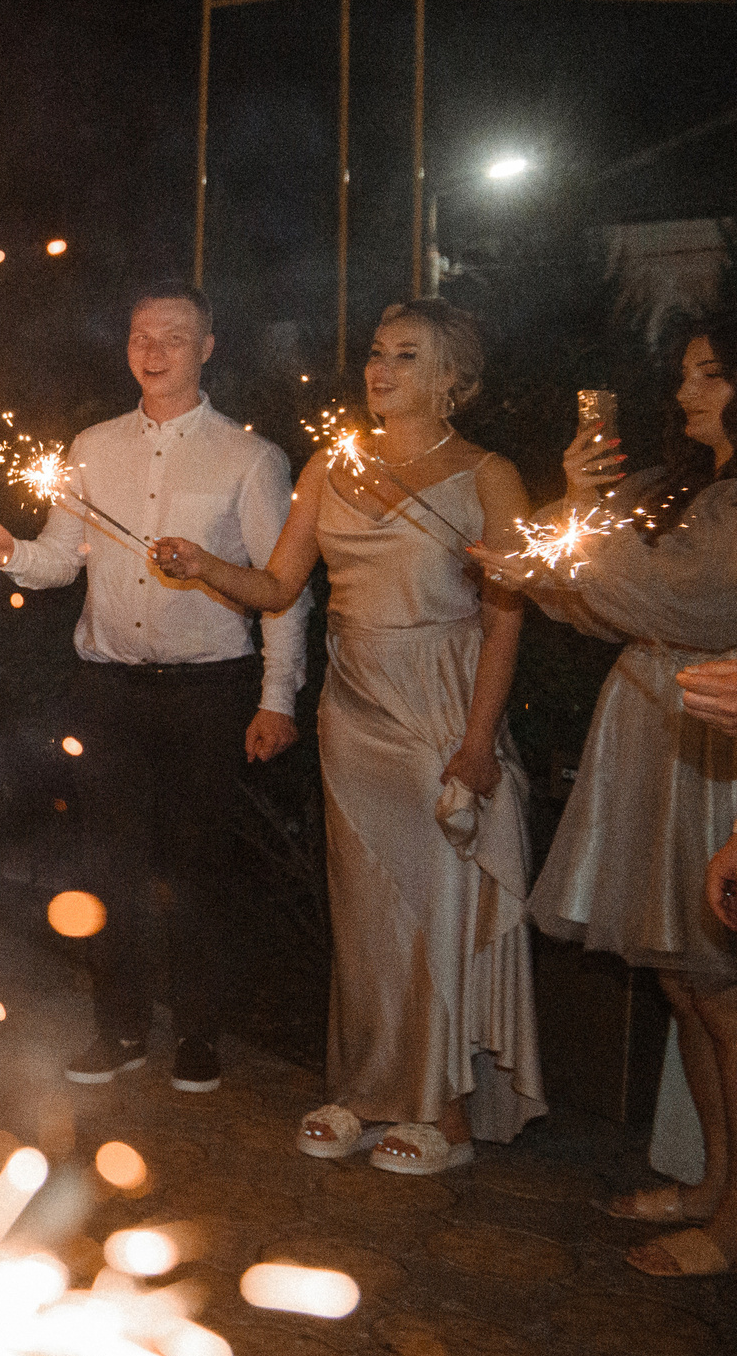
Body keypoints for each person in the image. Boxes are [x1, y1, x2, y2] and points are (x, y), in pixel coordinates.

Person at [154, 301, 545, 1172]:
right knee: (365, 910)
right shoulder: (332, 464)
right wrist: (205, 565)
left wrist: (479, 740)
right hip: (354, 706)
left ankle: (443, 1111)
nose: (381, 369)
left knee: (437, 901)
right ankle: (367, 1091)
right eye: (376, 352)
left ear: (453, 380)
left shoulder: (488, 475)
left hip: (441, 700)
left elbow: (507, 614)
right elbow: (278, 586)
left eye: (407, 356)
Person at [0, 284, 306, 1095]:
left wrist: (277, 697)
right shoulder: (91, 447)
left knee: (198, 869)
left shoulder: (250, 458)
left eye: (173, 337)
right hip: (108, 689)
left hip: (207, 692)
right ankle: (118, 1027)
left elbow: (283, 589)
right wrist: (11, 552)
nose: (153, 351)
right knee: (108, 866)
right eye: (140, 335)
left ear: (208, 348)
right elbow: (61, 559)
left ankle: (198, 1032)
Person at [480, 322, 737, 1275]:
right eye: (683, 375)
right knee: (686, 983)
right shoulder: (674, 487)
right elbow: (573, 589)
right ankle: (713, 1182)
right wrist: (564, 516)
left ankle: (734, 1221)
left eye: (711, 375)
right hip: (655, 729)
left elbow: (683, 600)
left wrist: (576, 544)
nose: (685, 392)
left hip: (717, 736)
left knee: (724, 991)